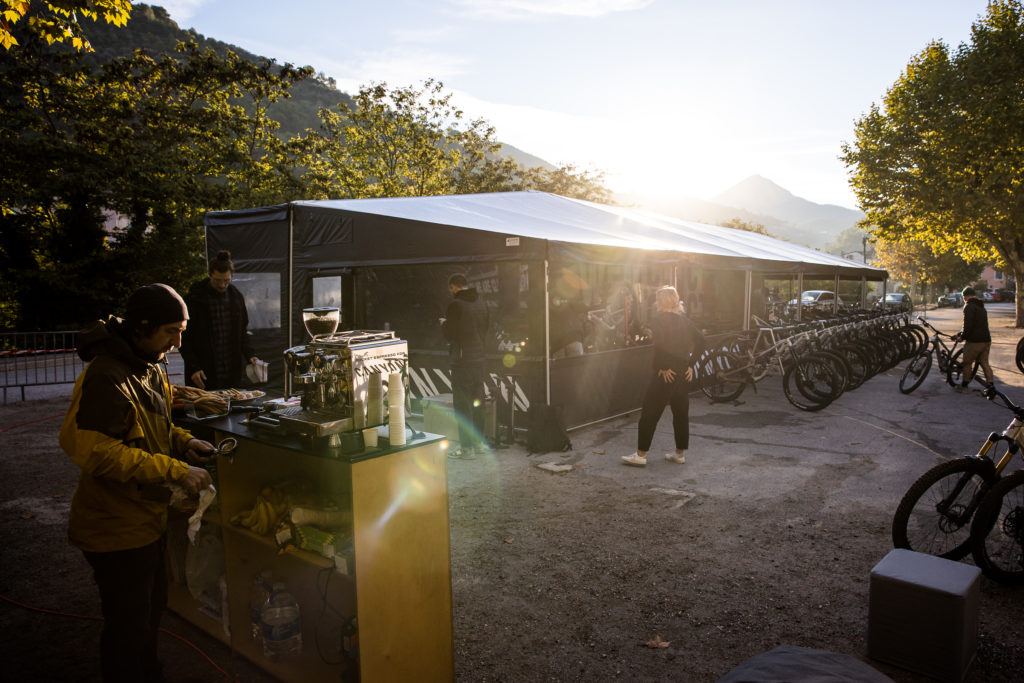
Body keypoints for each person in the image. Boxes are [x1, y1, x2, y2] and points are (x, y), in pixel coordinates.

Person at [59, 283, 216, 683]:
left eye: (181, 332)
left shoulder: (148, 364)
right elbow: (96, 452)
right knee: (127, 628)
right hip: (113, 528)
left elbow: (155, 428)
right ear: (141, 327)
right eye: (170, 332)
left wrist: (185, 441)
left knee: (150, 611)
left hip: (145, 521)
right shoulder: (105, 375)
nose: (177, 343)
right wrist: (175, 471)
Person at [622, 286, 706, 467]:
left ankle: (641, 455)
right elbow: (702, 341)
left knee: (650, 412)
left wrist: (663, 366)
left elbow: (660, 345)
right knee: (681, 413)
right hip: (683, 371)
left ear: (660, 302)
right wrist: (691, 365)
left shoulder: (658, 319)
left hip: (667, 373)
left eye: (657, 300)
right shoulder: (685, 321)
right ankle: (679, 454)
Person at [179, 250, 260, 390]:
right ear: (209, 274)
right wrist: (193, 367)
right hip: (203, 372)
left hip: (231, 371)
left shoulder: (236, 298)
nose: (222, 285)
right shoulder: (194, 298)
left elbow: (242, 332)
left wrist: (250, 355)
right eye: (217, 280)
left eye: (226, 281)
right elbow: (184, 338)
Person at [440, 273, 489, 459]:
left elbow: (450, 334)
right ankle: (479, 444)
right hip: (479, 360)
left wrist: (444, 324)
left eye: (450, 289)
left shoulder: (455, 305)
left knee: (463, 405)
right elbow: (485, 329)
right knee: (478, 403)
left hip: (462, 362)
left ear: (453, 287)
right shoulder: (482, 303)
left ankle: (466, 449)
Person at [953, 286, 995, 393]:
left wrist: (962, 337)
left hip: (974, 341)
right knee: (984, 363)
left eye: (963, 297)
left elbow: (968, 325)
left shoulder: (968, 306)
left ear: (965, 296)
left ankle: (964, 387)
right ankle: (991, 387)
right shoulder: (981, 306)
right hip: (986, 340)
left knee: (967, 363)